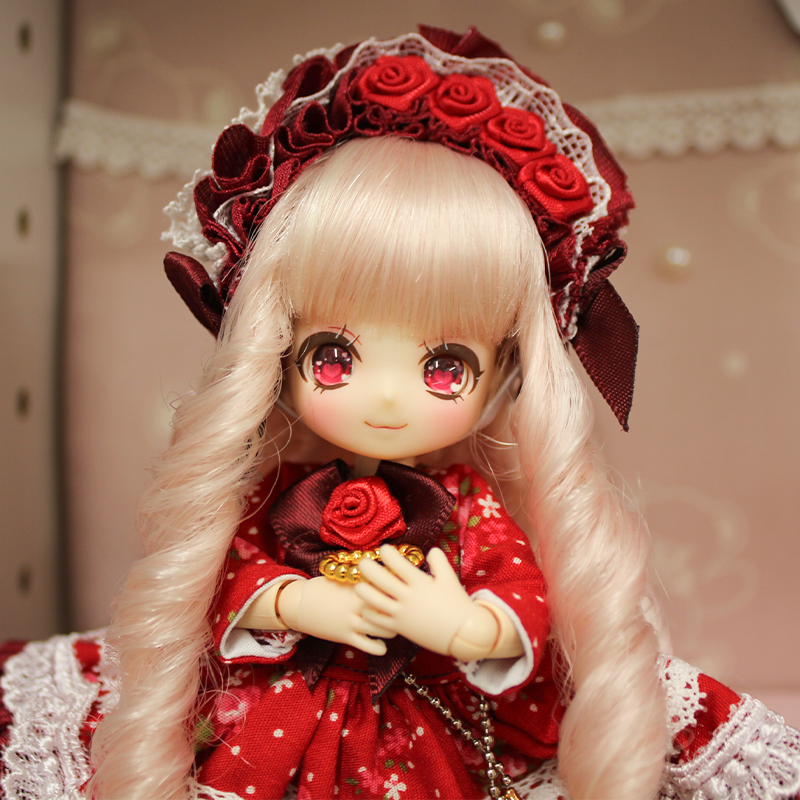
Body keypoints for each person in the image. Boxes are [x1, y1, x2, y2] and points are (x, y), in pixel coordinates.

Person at [2, 26, 798, 800]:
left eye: (444, 367)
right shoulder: (281, 491)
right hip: (282, 720)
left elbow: (521, 594)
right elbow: (233, 573)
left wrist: (463, 627)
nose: (386, 398)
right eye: (334, 357)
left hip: (422, 720)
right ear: (276, 353)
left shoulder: (468, 507)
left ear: (503, 375)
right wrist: (295, 602)